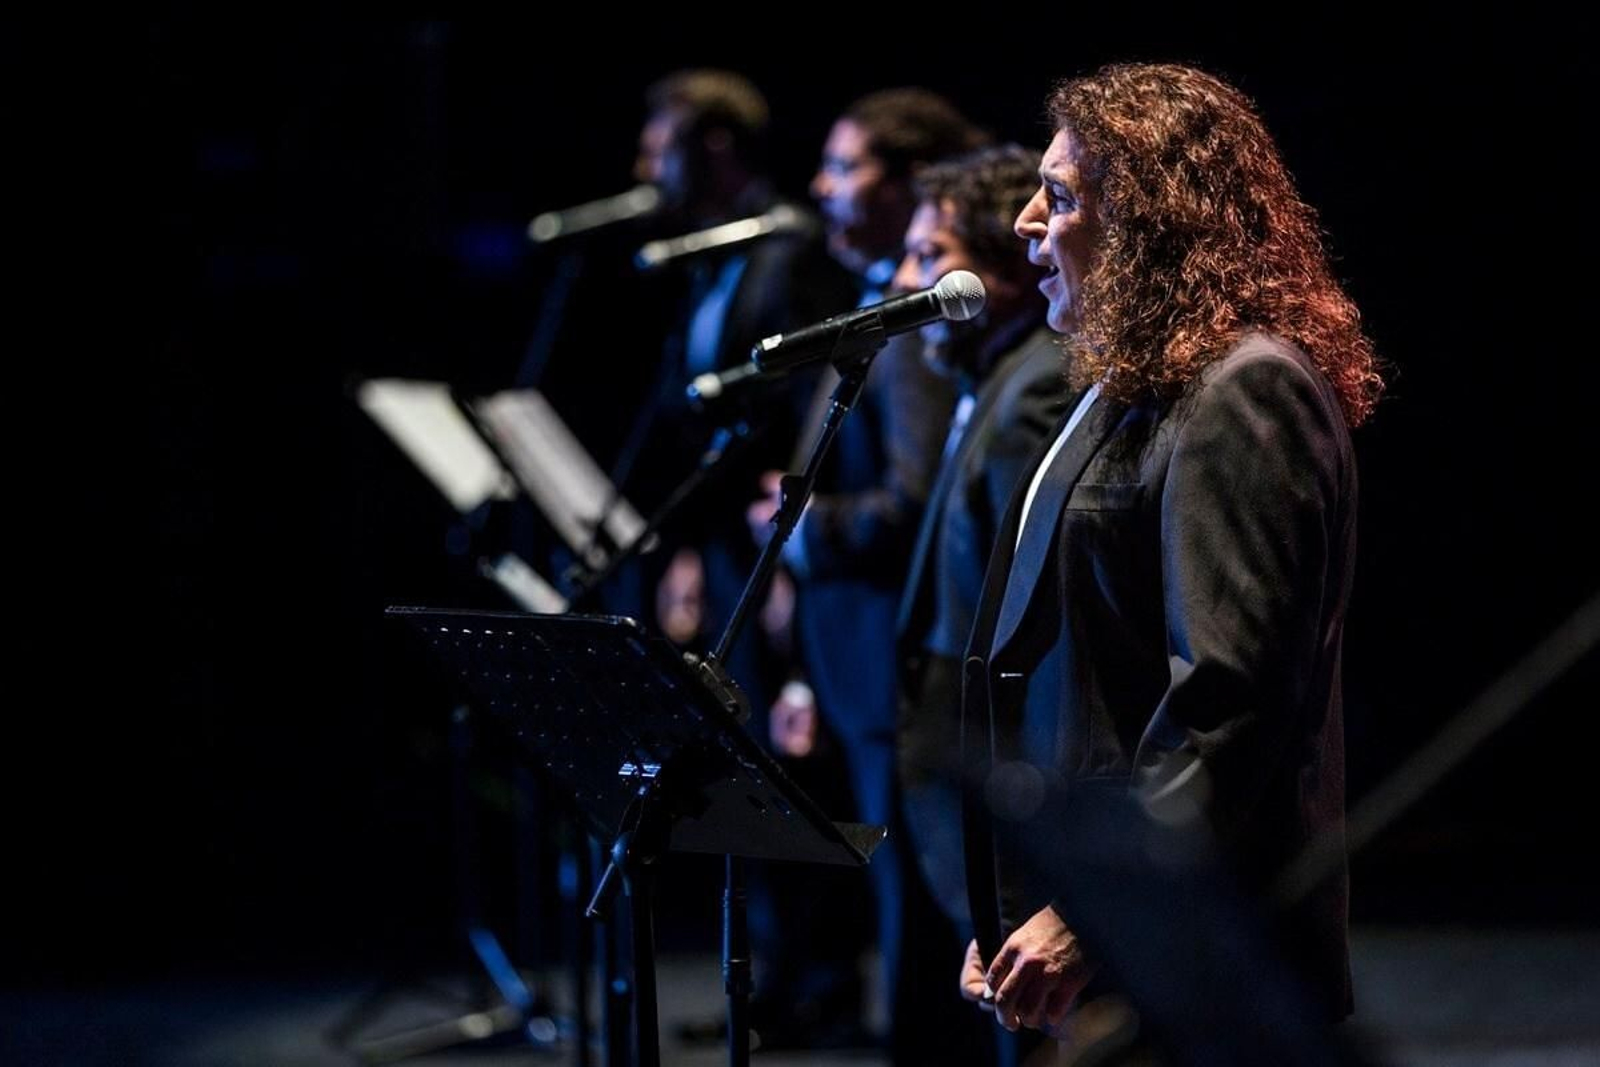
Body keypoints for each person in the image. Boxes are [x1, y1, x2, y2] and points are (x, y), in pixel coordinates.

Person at [954, 63, 1384, 1042]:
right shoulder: (1130, 381)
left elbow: (1226, 702)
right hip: (1105, 932)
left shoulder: (1245, 388)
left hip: (1190, 944)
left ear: (1154, 218)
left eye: (1058, 196)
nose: (1025, 220)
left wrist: (1089, 911)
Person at [745, 88, 982, 1055]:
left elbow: (916, 503)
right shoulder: (876, 305)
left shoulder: (918, 334)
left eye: (846, 168)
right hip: (854, 668)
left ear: (914, 185)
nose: (820, 186)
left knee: (916, 928)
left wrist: (801, 525)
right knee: (890, 918)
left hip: (895, 668)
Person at [890, 143, 1074, 1066]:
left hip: (1000, 771)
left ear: (998, 275)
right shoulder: (989, 381)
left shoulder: (1038, 381)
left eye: (929, 256)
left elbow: (1033, 611)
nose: (903, 278)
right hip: (951, 760)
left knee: (1021, 1020)